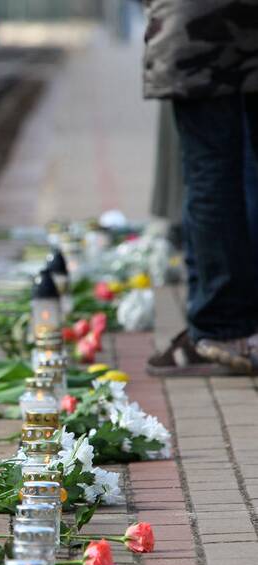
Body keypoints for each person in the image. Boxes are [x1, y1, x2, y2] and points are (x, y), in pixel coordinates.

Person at [143, 0, 258, 375]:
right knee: (247, 168)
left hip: (201, 24)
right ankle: (236, 325)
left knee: (212, 169)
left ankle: (223, 328)